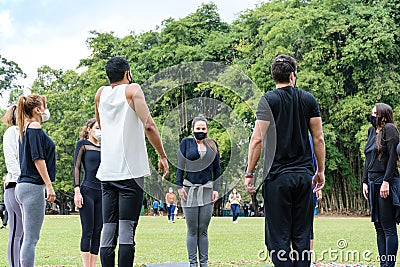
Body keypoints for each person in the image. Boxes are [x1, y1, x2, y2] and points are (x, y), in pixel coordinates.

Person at [245, 54, 325, 267]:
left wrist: (249, 173)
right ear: (292, 75)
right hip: (303, 177)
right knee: (302, 236)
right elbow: (318, 138)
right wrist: (321, 171)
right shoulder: (308, 99)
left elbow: (257, 140)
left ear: (274, 76)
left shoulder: (268, 101)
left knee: (277, 239)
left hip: (277, 178)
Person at [94, 56, 169, 267]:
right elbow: (149, 126)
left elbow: (101, 125)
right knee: (126, 229)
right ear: (127, 72)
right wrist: (162, 156)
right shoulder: (132, 89)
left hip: (107, 172)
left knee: (108, 229)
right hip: (130, 173)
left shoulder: (100, 94)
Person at [15, 94, 56, 267]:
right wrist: (49, 185)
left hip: (23, 186)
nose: (46, 110)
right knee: (31, 239)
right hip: (32, 187)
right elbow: (38, 159)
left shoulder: (25, 129)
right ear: (37, 109)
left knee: (27, 237)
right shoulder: (34, 127)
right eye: (44, 106)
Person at [177, 115, 221, 267]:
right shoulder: (186, 143)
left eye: (203, 128)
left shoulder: (212, 144)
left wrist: (216, 189)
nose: (200, 131)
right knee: (192, 229)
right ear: (192, 130)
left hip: (207, 190)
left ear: (207, 130)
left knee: (203, 229)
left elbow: (217, 169)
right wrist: (179, 186)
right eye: (198, 128)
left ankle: (204, 263)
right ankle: (192, 263)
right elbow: (180, 165)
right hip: (189, 189)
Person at [362, 103, 399, 267]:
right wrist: (364, 181)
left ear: (383, 115)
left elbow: (392, 158)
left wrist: (386, 181)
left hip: (384, 182)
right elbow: (368, 158)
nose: (372, 116)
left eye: (375, 113)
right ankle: (383, 263)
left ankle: (389, 264)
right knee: (377, 225)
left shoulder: (390, 129)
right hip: (371, 182)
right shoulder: (371, 131)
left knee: (388, 226)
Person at [73, 118, 102, 267]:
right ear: (89, 129)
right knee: (88, 230)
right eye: (97, 127)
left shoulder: (106, 147)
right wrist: (77, 190)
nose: (99, 130)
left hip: (103, 193)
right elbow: (77, 167)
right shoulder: (83, 144)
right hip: (87, 191)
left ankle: (93, 265)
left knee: (98, 230)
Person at [2, 104, 22, 267]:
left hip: (23, 184)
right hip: (15, 185)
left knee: (24, 233)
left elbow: (45, 114)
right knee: (16, 232)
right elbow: (11, 162)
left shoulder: (28, 132)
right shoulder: (11, 133)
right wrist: (22, 178)